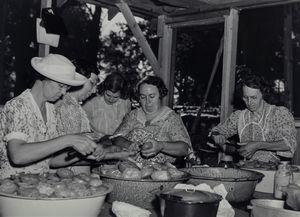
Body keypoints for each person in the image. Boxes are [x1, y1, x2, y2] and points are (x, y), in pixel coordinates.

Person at [0, 53, 98, 178]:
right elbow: (18, 156)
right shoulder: (17, 106)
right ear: (43, 80)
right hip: (13, 185)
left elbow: (51, 161)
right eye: (61, 86)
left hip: (40, 184)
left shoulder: (50, 109)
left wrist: (80, 154)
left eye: (66, 88)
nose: (63, 93)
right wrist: (68, 139)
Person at [211, 70, 297, 163]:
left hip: (272, 170)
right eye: (245, 97)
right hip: (245, 169)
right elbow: (216, 131)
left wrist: (258, 145)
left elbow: (289, 144)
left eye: (253, 98)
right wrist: (217, 136)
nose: (249, 102)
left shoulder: (278, 113)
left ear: (263, 94)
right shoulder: (239, 116)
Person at [111, 75, 192, 164]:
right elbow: (116, 138)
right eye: (143, 97)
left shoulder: (171, 118)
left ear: (160, 94)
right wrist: (130, 145)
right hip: (129, 169)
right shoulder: (133, 115)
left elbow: (185, 149)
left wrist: (161, 146)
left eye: (152, 96)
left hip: (161, 173)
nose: (147, 101)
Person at [83, 72, 131, 138]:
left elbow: (127, 123)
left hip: (117, 139)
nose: (111, 99)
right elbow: (82, 125)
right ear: (104, 89)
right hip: (95, 139)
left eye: (116, 97)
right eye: (108, 95)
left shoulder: (125, 103)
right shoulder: (92, 104)